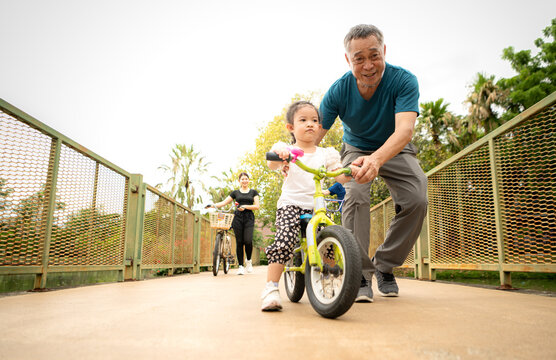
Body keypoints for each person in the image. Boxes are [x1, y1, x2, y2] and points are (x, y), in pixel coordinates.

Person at [315, 24, 428, 303]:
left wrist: (377, 159)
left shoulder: (403, 80)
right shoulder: (338, 91)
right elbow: (314, 137)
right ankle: (360, 274)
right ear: (347, 60)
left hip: (394, 147)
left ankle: (384, 265)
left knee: (417, 198)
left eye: (374, 56)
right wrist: (290, 159)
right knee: (354, 193)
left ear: (384, 52)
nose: (368, 66)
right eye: (359, 59)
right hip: (355, 148)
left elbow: (404, 131)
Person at [261, 100, 357, 311]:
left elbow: (339, 175)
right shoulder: (287, 150)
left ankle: (331, 281)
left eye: (314, 120)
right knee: (285, 240)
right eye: (303, 120)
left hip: (316, 206)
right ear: (291, 128)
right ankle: (271, 288)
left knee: (328, 241)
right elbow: (272, 163)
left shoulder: (326, 153)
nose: (310, 124)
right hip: (290, 204)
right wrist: (280, 155)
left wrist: (351, 172)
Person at [209, 173, 260, 275]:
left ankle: (248, 261)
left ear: (248, 180)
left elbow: (257, 206)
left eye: (246, 179)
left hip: (249, 218)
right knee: (239, 242)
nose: (244, 181)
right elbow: (224, 202)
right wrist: (212, 205)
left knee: (248, 240)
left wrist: (245, 206)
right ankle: (241, 266)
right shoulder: (235, 193)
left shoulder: (254, 192)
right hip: (237, 218)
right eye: (242, 179)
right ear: (239, 181)